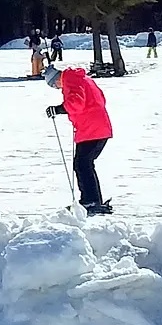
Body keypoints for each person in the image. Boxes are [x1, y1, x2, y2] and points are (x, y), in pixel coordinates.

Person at [45, 64, 113, 215]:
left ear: (56, 80)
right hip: (98, 127)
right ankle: (93, 200)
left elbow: (76, 103)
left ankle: (90, 201)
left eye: (55, 86)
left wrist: (58, 109)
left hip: (92, 130)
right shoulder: (82, 78)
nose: (58, 89)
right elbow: (99, 98)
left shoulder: (70, 79)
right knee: (85, 164)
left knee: (82, 165)